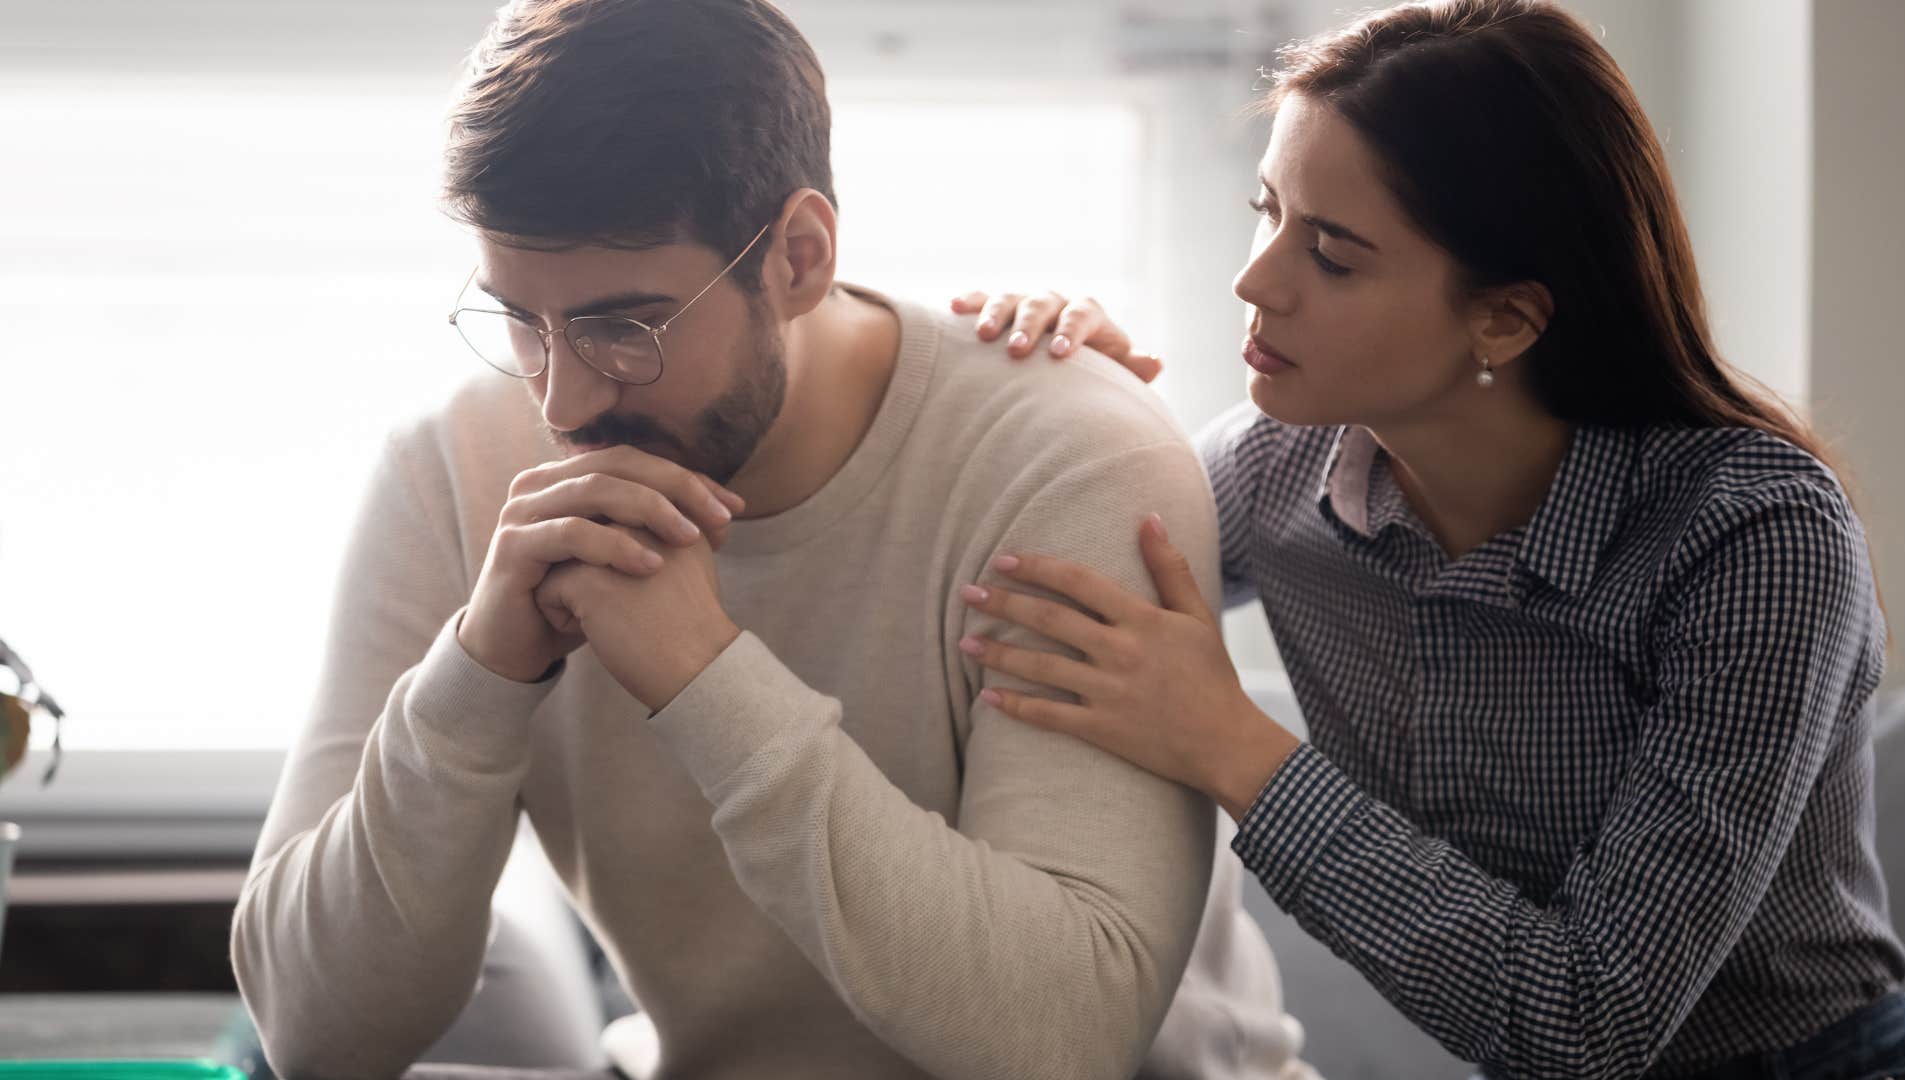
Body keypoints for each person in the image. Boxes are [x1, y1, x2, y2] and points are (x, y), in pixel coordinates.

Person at [228, 1, 1310, 1077]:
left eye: (625, 326)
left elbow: (1060, 1041)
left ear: (797, 255)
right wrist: (477, 678)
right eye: (519, 317)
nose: (561, 400)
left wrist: (705, 679)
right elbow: (313, 1036)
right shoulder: (454, 468)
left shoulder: (1070, 458)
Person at [953, 0, 1905, 1076]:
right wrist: (1069, 399)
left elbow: (1588, 1023)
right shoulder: (1276, 471)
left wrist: (1227, 740)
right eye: (1263, 211)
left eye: (1331, 255)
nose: (1254, 280)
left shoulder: (1754, 537)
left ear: (1504, 318)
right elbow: (1036, 575)